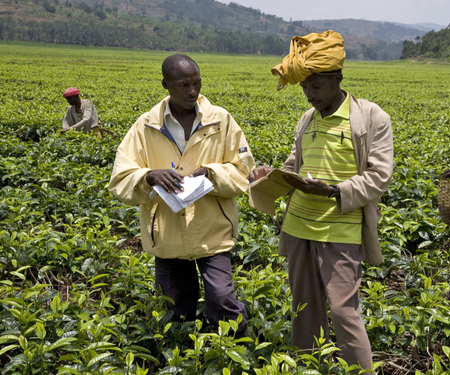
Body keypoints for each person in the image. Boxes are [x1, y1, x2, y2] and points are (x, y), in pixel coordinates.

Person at [249, 31, 393, 371]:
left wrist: (332, 191)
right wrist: (270, 174)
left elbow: (378, 176)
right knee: (304, 306)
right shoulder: (306, 120)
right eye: (304, 88)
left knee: (344, 311)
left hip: (340, 229)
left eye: (317, 86)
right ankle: (308, 365)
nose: (310, 95)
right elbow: (293, 166)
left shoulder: (371, 118)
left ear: (338, 78)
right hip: (299, 225)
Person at [108, 54, 254, 333]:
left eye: (197, 83)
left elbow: (244, 172)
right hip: (167, 235)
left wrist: (211, 173)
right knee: (175, 308)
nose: (192, 91)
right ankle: (184, 357)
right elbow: (120, 179)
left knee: (223, 301)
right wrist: (149, 176)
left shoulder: (221, 121)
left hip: (213, 231)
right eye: (183, 84)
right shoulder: (146, 125)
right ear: (165, 84)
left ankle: (242, 355)